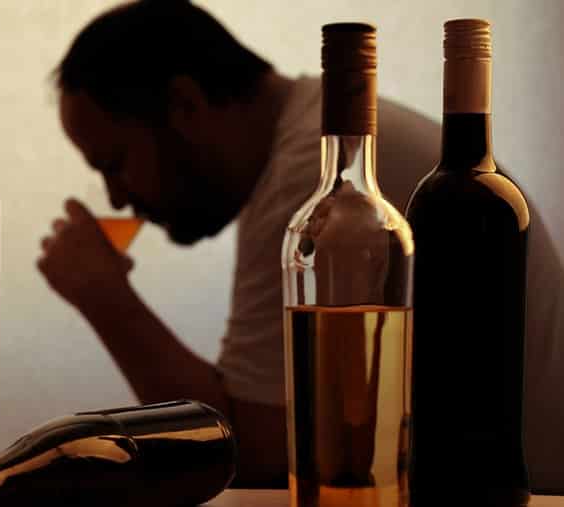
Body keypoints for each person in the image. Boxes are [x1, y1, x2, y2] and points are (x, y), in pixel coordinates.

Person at [36, 0, 564, 491]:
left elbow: (252, 455)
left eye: (114, 164)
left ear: (185, 105)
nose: (116, 197)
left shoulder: (312, 177)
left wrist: (105, 298)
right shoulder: (295, 151)